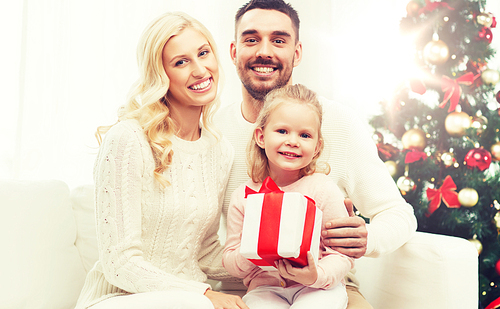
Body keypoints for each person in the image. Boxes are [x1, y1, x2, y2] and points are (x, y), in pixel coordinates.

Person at [214, 1, 418, 308]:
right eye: (251, 39)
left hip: (326, 284)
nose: (264, 51)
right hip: (241, 288)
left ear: (296, 53)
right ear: (234, 51)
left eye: (279, 40)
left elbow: (399, 214)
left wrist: (367, 238)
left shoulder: (338, 123)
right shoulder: (212, 130)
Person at [75, 11, 248, 309]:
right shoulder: (128, 140)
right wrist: (202, 294)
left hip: (187, 300)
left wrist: (264, 265)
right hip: (118, 298)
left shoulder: (219, 150)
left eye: (203, 53)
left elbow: (204, 251)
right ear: (160, 74)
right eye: (181, 62)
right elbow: (119, 262)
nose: (199, 69)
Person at [223, 84, 354, 309]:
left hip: (318, 287)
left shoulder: (323, 190)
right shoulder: (244, 197)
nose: (292, 141)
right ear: (261, 137)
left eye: (304, 135)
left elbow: (342, 255)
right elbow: (230, 259)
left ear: (316, 147)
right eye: (282, 131)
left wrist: (317, 275)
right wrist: (253, 249)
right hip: (265, 288)